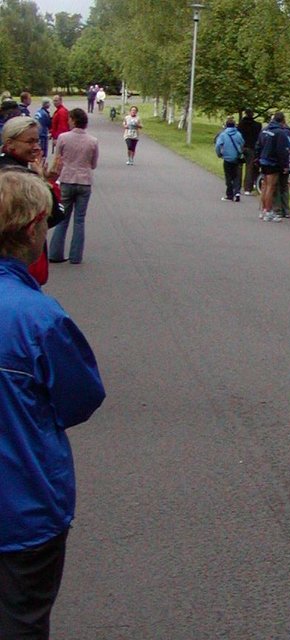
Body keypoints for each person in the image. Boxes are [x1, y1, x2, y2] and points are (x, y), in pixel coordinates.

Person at [0, 169, 105, 639]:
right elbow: (80, 399)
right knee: (21, 619)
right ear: (32, 229)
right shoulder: (40, 318)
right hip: (23, 508)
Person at [0, 116, 65, 285]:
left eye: (37, 140)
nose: (36, 147)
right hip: (20, 263)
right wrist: (47, 182)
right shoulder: (20, 177)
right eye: (30, 142)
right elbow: (55, 214)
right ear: (10, 143)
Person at [49, 108, 98, 265]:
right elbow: (94, 164)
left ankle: (55, 253)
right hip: (84, 181)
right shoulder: (93, 141)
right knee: (79, 220)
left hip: (67, 179)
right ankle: (76, 256)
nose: (68, 122)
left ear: (74, 120)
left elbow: (58, 160)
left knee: (63, 218)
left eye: (69, 119)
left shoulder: (63, 138)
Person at [255, 111, 290, 222]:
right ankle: (268, 211)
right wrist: (284, 165)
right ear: (282, 120)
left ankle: (263, 210)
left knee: (265, 186)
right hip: (272, 162)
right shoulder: (280, 133)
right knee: (271, 187)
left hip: (263, 160)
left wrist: (258, 158)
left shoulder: (265, 130)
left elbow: (258, 145)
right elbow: (282, 151)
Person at [215, 116, 245, 202]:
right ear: (234, 125)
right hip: (236, 158)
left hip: (227, 158)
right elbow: (242, 143)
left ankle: (229, 195)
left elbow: (218, 145)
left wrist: (219, 154)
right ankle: (237, 193)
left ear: (226, 125)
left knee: (228, 176)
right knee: (236, 176)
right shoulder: (238, 134)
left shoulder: (223, 135)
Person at [238, 109, 262, 195]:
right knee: (249, 169)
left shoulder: (240, 125)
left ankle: (237, 186)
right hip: (252, 148)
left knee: (239, 167)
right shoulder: (258, 125)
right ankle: (247, 188)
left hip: (241, 148)